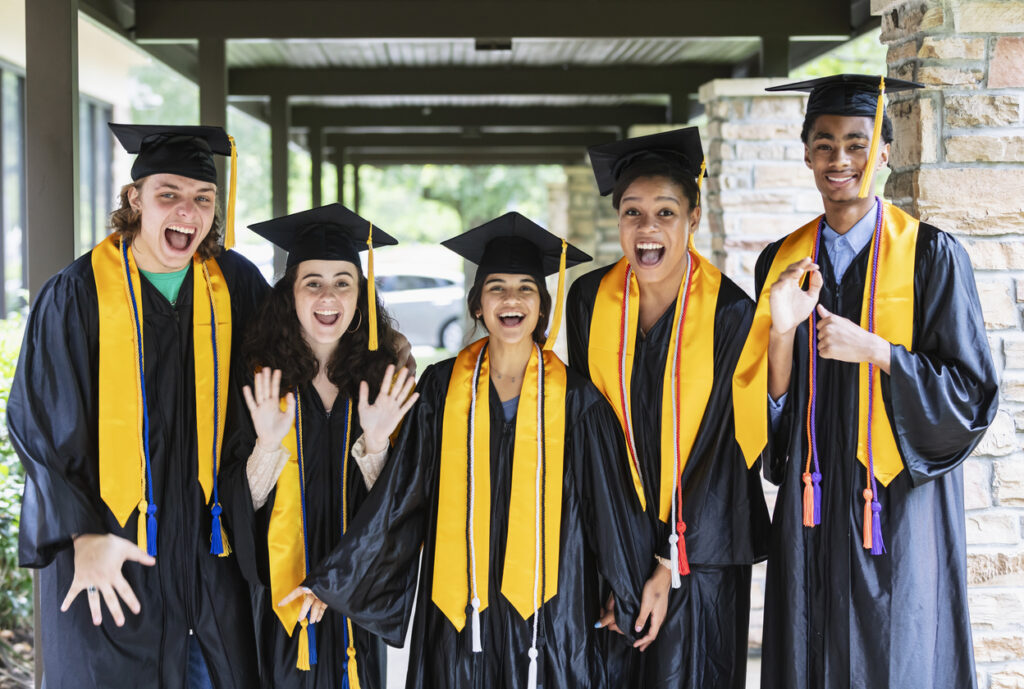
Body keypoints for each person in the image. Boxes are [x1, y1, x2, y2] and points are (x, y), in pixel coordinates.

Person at [285, 212, 655, 689]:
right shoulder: (441, 388)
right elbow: (402, 496)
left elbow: (610, 510)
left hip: (551, 613)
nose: (512, 299)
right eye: (496, 287)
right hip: (461, 614)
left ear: (542, 305)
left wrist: (625, 595)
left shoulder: (578, 402)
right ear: (478, 304)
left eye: (526, 288)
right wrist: (337, 578)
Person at [733, 74, 1000, 689]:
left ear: (883, 152)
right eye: (824, 144)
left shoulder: (931, 255)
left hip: (898, 509)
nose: (840, 160)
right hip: (814, 504)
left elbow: (971, 396)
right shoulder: (780, 261)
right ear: (805, 154)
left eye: (857, 143)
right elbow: (768, 409)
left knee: (899, 657)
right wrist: (779, 330)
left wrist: (878, 352)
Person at [7, 124, 269, 688]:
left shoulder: (236, 286)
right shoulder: (77, 294)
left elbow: (293, 364)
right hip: (111, 555)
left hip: (207, 564)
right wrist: (82, 536)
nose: (187, 212)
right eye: (167, 193)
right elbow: (41, 427)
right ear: (135, 199)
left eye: (203, 198)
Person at [566, 127, 770, 688]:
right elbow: (589, 433)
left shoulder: (731, 314)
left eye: (665, 212)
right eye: (632, 212)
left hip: (699, 552)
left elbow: (725, 449)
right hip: (612, 540)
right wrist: (610, 558)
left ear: (694, 217)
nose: (647, 228)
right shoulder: (589, 301)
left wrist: (667, 560)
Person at [220, 203, 415, 689]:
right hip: (283, 602)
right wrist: (266, 444)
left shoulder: (385, 380)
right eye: (313, 282)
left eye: (343, 282)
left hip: (356, 598)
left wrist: (375, 443)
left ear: (360, 295)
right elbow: (241, 505)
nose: (328, 296)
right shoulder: (258, 377)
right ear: (291, 293)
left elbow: (403, 505)